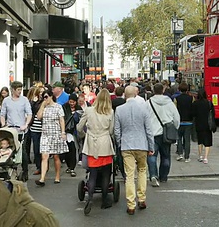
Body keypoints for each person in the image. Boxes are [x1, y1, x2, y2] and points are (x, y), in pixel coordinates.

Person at [114, 85, 155, 215]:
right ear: (136, 95)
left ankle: (131, 204)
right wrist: (151, 146)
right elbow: (149, 130)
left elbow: (116, 131)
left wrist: (120, 143)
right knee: (142, 171)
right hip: (142, 145)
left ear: (125, 95)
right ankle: (141, 198)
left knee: (129, 175)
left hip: (127, 146)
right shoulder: (144, 109)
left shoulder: (119, 110)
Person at [77, 89, 115, 214]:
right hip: (105, 144)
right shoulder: (110, 112)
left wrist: (84, 135)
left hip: (92, 144)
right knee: (105, 174)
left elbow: (79, 127)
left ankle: (90, 198)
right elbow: (111, 131)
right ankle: (105, 199)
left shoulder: (88, 110)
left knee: (92, 174)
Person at [146, 83, 180, 186]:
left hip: (153, 133)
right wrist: (174, 128)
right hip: (166, 133)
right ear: (163, 90)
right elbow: (176, 118)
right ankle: (163, 177)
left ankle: (153, 175)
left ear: (153, 90)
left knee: (152, 155)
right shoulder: (169, 103)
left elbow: (144, 118)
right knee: (166, 156)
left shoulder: (148, 103)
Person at [35, 90, 67, 186]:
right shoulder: (44, 107)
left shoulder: (58, 107)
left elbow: (61, 120)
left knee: (56, 156)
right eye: (43, 97)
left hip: (55, 133)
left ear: (51, 96)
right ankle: (42, 178)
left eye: (46, 97)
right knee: (44, 156)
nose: (45, 99)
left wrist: (63, 132)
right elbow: (39, 117)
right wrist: (42, 105)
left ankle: (57, 176)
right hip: (45, 134)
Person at [174, 83, 195, 162]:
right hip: (189, 122)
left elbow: (175, 110)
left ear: (179, 89)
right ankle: (187, 157)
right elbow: (193, 109)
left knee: (179, 138)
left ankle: (180, 154)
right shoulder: (191, 98)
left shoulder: (176, 99)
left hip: (179, 121)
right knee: (187, 140)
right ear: (187, 90)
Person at [62, 94, 80, 177]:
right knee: (67, 150)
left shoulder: (79, 108)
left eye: (73, 102)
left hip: (75, 132)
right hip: (66, 131)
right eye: (70, 102)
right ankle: (69, 166)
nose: (72, 103)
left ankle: (72, 167)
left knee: (73, 149)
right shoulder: (64, 107)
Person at [193, 87, 214, 164]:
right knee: (207, 142)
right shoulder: (209, 103)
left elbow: (193, 114)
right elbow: (213, 114)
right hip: (208, 125)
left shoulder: (195, 103)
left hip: (199, 124)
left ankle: (200, 156)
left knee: (200, 141)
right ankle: (206, 157)